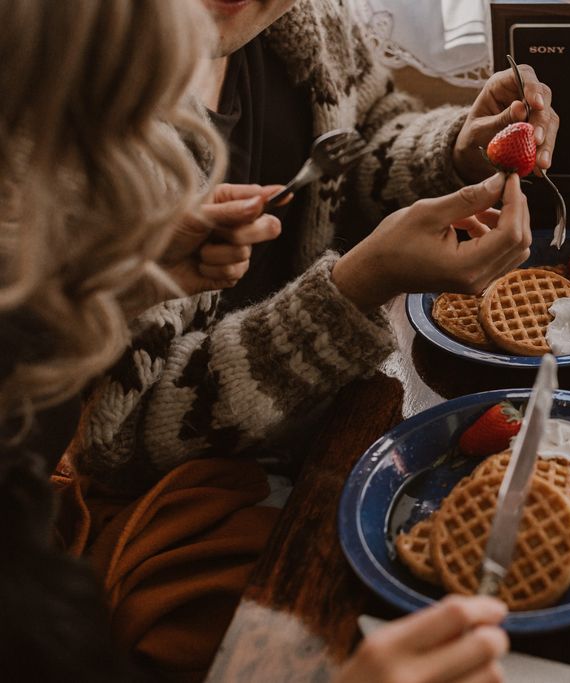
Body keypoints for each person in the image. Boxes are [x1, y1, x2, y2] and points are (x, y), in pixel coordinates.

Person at [1, 1, 517, 680]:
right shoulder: (96, 108)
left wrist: (454, 150)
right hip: (218, 491)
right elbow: (116, 442)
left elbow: (363, 142)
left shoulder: (304, 28)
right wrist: (350, 292)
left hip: (332, 433)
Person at [75, 0, 553, 488]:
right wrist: (354, 290)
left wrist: (456, 153)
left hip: (342, 408)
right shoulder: (77, 114)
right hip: (233, 482)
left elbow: (363, 132)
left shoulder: (309, 16)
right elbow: (122, 434)